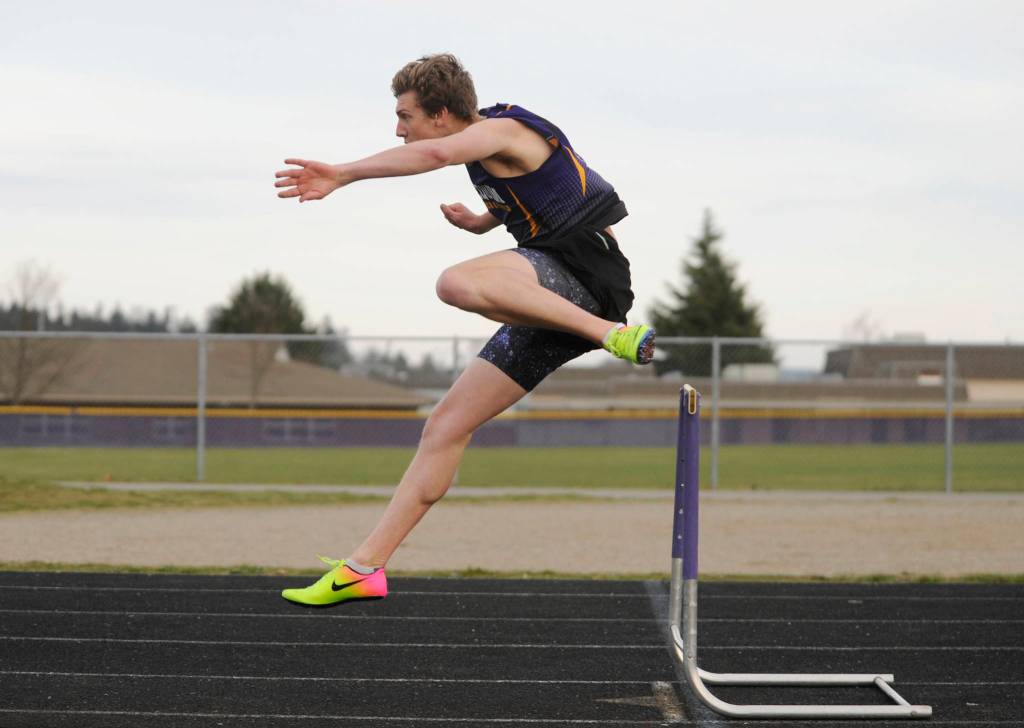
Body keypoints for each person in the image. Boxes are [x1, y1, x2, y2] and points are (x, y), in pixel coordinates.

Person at [274, 53, 655, 606]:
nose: (398, 128)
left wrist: (343, 173)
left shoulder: (501, 128)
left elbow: (435, 154)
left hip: (586, 274)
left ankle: (609, 334)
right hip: (549, 299)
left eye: (405, 115)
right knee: (445, 426)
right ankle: (364, 568)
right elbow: (537, 194)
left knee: (454, 283)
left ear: (443, 113)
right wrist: (480, 221)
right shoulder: (490, 151)